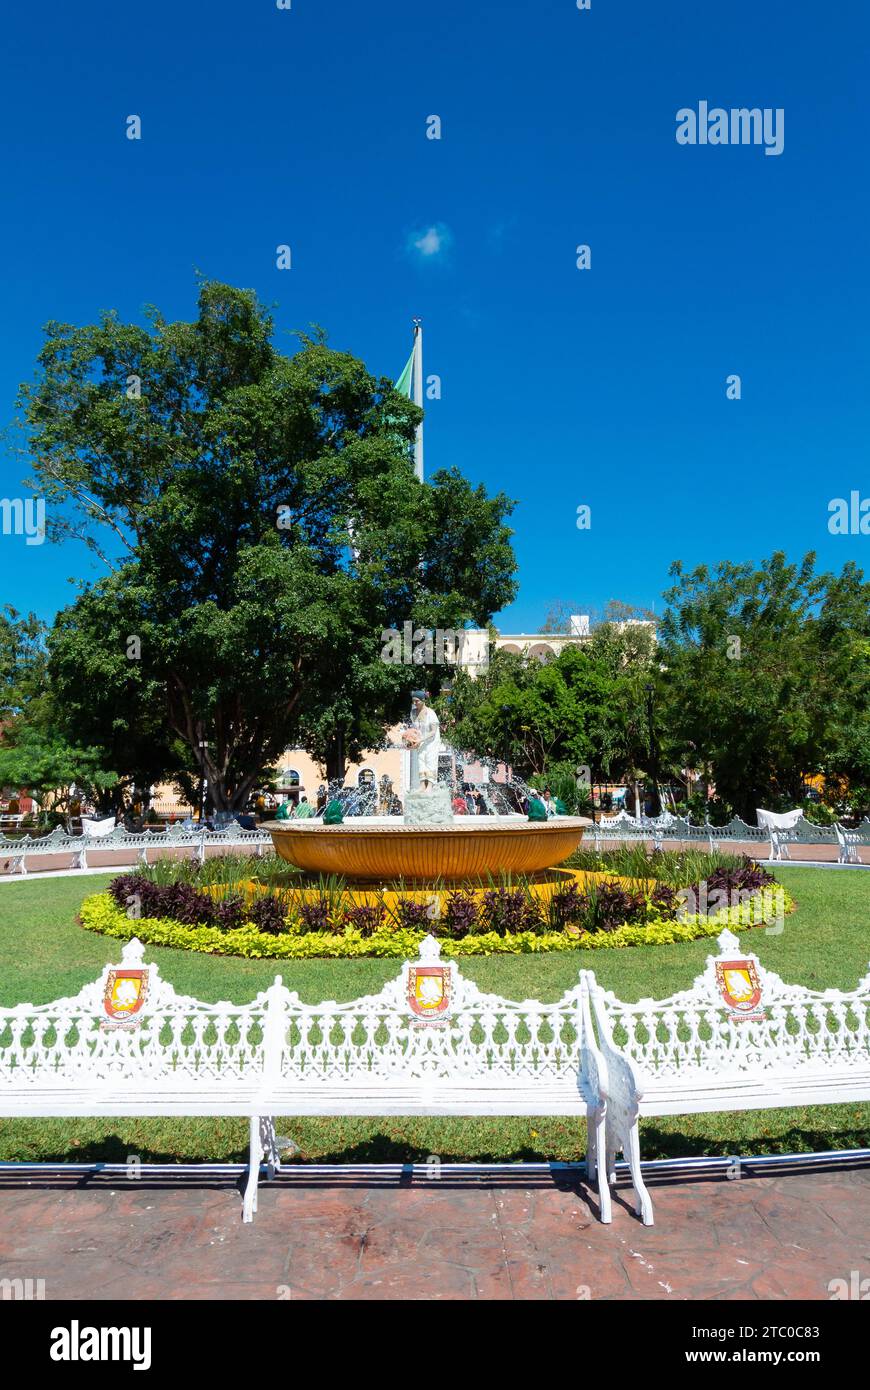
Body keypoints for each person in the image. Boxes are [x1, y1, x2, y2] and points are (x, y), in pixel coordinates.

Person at [410, 690, 441, 793]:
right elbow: (415, 729)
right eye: (413, 701)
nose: (415, 703)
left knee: (430, 761)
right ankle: (422, 785)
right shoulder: (413, 713)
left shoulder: (431, 713)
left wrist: (420, 739)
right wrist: (411, 739)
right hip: (420, 742)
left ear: (423, 700)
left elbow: (433, 731)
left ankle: (430, 785)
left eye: (417, 701)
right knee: (421, 762)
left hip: (431, 742)